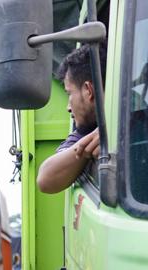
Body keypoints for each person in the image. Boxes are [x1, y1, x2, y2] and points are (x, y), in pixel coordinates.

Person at [37, 46, 104, 194]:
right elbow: (45, 179)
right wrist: (93, 142)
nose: (68, 107)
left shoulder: (137, 119)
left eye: (69, 94)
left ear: (88, 90)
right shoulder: (85, 132)